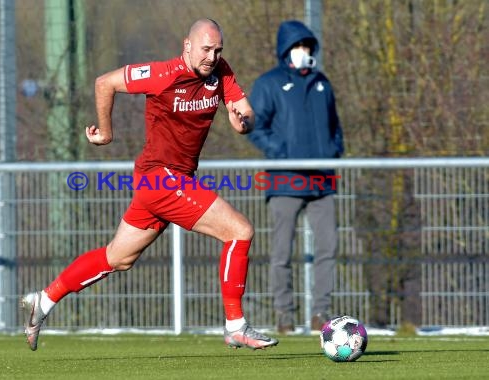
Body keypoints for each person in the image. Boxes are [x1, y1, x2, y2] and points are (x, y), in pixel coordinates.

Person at [22, 18, 278, 351]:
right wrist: (107, 132)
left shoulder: (220, 71)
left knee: (118, 258)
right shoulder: (162, 74)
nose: (212, 57)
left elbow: (245, 111)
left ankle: (41, 302)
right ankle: (235, 325)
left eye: (217, 50)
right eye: (205, 49)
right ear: (187, 45)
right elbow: (105, 82)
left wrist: (243, 122)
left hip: (169, 182)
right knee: (240, 231)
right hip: (160, 178)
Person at [247, 20, 344, 334]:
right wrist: (282, 153)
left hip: (322, 182)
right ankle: (284, 316)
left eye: (307, 46)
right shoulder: (268, 84)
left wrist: (333, 151)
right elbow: (256, 127)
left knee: (328, 247)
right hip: (285, 181)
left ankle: (321, 314)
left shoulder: (322, 83)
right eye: (298, 46)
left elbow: (335, 127)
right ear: (285, 50)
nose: (303, 52)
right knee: (281, 253)